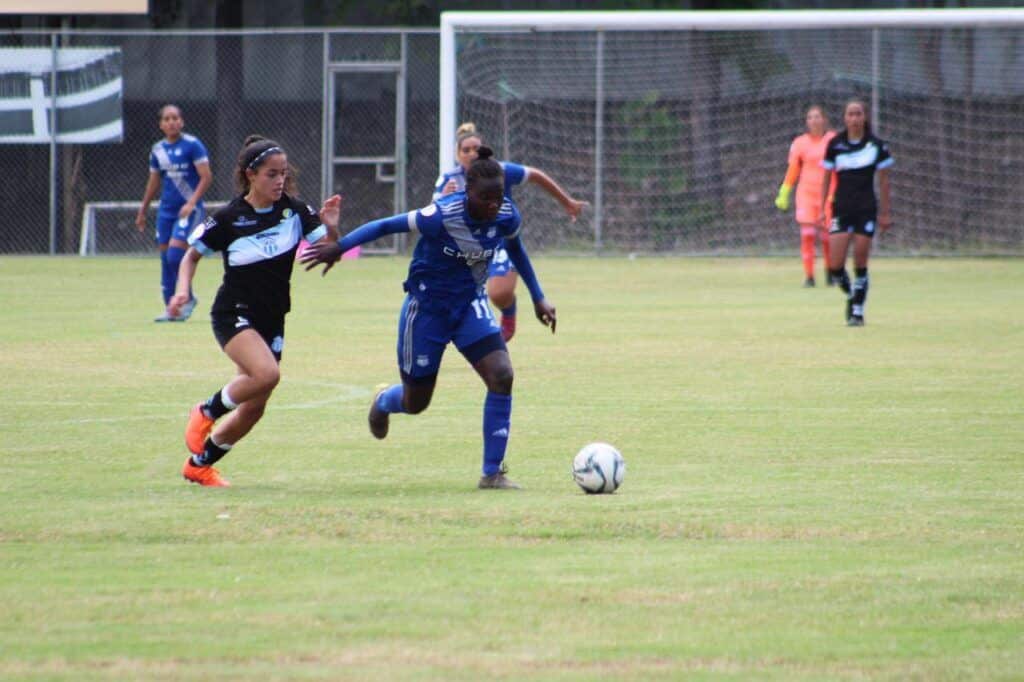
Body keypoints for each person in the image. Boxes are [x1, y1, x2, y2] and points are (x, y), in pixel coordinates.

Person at [303, 146, 556, 490]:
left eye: (498, 196)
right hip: (427, 310)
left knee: (502, 374)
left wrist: (538, 296)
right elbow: (384, 225)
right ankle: (383, 402)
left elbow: (516, 250)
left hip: (469, 306)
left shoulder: (506, 215)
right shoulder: (439, 216)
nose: (493, 204)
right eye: (485, 197)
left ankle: (492, 473)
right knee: (416, 401)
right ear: (468, 192)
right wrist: (340, 246)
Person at [167, 135, 341, 486]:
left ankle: (199, 465)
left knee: (255, 406)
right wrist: (183, 290)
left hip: (272, 317)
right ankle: (205, 411)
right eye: (271, 174)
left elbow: (330, 250)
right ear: (251, 175)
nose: (279, 181)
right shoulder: (229, 218)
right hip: (233, 313)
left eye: (283, 174)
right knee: (267, 375)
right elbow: (191, 256)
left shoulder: (296, 211)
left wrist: (332, 224)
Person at [434, 122, 584, 342]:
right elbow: (433, 215)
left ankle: (508, 309)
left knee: (499, 293)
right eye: (466, 150)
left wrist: (567, 202)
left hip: (499, 243)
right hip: (467, 249)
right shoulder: (448, 181)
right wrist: (442, 198)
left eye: (476, 148)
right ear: (458, 155)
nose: (472, 154)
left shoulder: (501, 171)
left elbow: (535, 175)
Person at [135, 104, 213, 322]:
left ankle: (185, 298)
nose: (171, 122)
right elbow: (154, 181)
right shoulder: (158, 150)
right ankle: (172, 308)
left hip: (188, 210)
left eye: (175, 118)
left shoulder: (193, 145)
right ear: (161, 124)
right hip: (166, 210)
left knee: (175, 256)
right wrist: (143, 209)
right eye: (167, 119)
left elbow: (206, 177)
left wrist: (192, 202)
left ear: (182, 121)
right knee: (165, 259)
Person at [820, 99, 893, 327]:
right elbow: (825, 179)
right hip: (841, 208)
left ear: (865, 117)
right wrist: (823, 208)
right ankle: (852, 294)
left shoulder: (876, 146)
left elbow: (883, 182)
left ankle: (857, 312)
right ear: (844, 118)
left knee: (860, 260)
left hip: (866, 209)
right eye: (850, 114)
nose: (854, 118)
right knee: (835, 265)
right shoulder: (835, 144)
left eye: (858, 114)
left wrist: (885, 213)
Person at [774, 105, 837, 287]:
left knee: (827, 237)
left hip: (828, 195)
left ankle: (830, 273)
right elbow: (793, 170)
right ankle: (809, 277)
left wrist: (838, 193)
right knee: (807, 235)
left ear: (824, 119)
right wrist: (784, 193)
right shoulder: (800, 143)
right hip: (806, 194)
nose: (814, 120)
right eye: (810, 117)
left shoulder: (833, 140)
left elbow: (840, 170)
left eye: (817, 117)